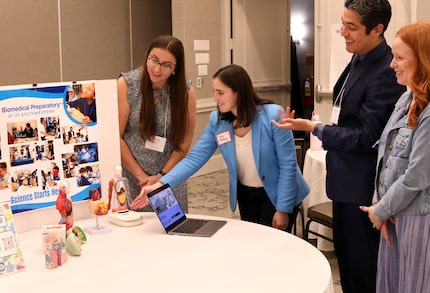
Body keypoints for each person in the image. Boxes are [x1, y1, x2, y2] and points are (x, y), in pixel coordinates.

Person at [272, 1, 406, 292]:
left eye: (351, 27)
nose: (342, 32)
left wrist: (315, 128)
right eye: (342, 23)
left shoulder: (385, 70)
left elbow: (367, 136)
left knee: (363, 271)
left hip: (363, 188)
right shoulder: (359, 57)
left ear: (377, 29)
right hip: (345, 183)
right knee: (347, 265)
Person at [131, 64, 309, 232]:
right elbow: (195, 158)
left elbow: (288, 165)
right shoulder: (218, 121)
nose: (215, 98)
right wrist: (160, 184)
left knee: (272, 250)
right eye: (214, 92)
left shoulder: (272, 116)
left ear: (238, 92)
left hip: (278, 193)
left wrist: (283, 209)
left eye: (220, 92)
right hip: (246, 193)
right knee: (252, 246)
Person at [359, 21, 430, 293]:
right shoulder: (407, 98)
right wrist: (383, 206)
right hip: (396, 213)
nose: (392, 65)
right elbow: (386, 156)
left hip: (418, 219)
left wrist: (381, 210)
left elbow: (416, 176)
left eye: (400, 58)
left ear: (422, 60)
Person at [117, 35, 197, 212]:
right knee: (136, 233)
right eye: (154, 60)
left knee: (171, 230)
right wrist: (142, 176)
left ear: (176, 68)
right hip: (134, 177)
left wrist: (161, 177)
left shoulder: (185, 92)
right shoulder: (127, 84)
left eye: (166, 65)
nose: (157, 69)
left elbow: (184, 143)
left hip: (169, 177)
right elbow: (117, 137)